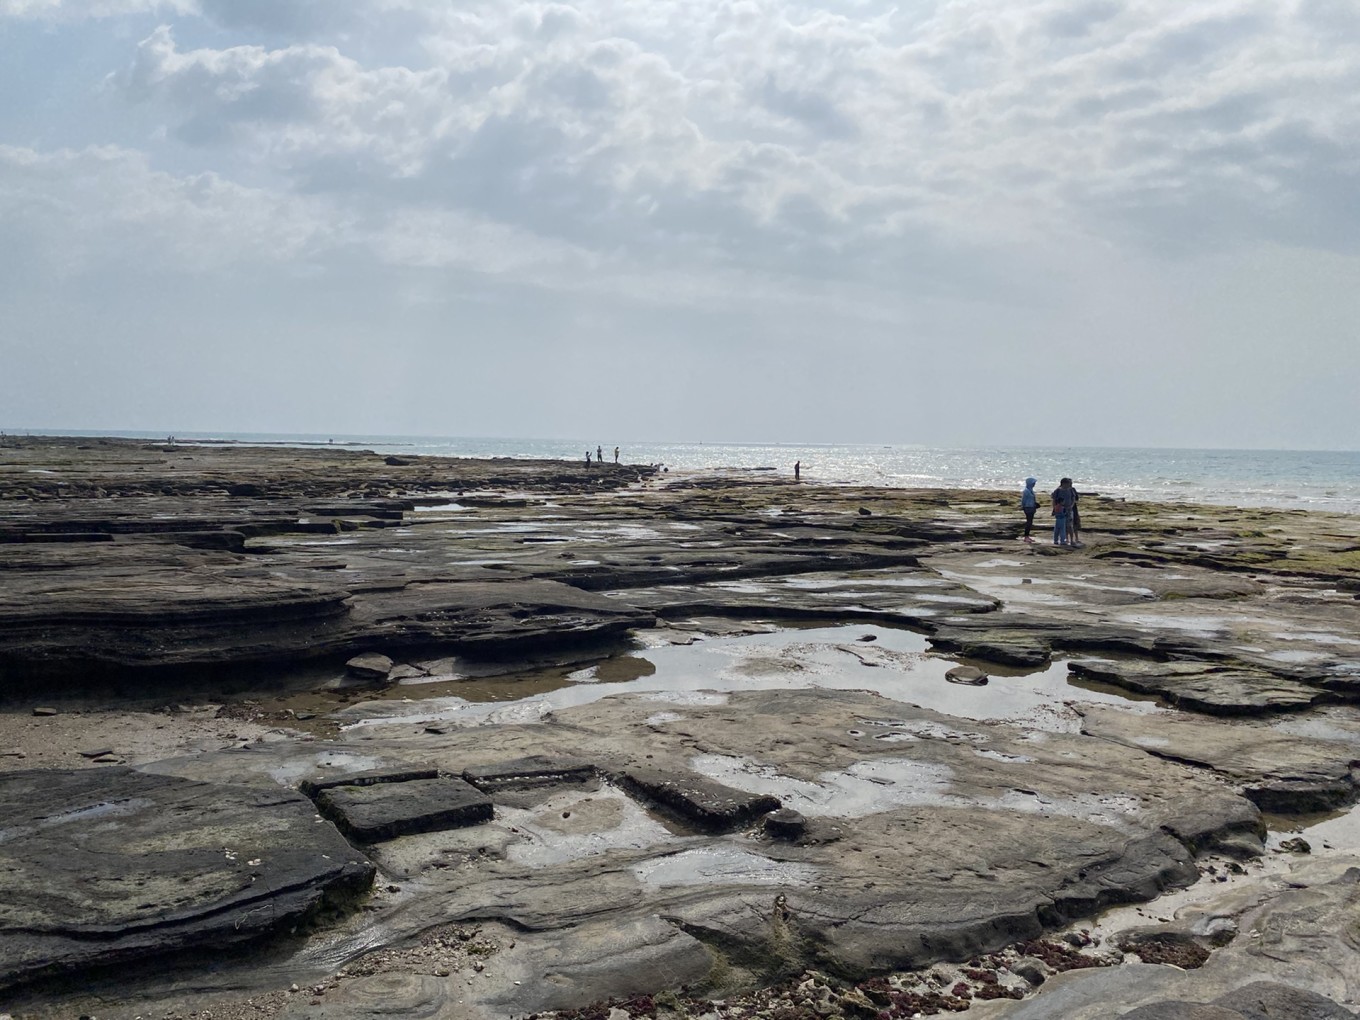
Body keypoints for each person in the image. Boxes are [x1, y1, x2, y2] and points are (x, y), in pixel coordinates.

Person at [1051, 477, 1076, 546]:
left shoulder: (1070, 490)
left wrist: (1071, 505)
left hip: (1069, 510)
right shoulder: (1057, 491)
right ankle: (1061, 540)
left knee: (1069, 525)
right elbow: (1053, 500)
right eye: (1067, 484)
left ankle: (1071, 540)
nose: (1069, 485)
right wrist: (1055, 508)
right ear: (1063, 484)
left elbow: (1073, 499)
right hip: (1060, 511)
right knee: (1060, 526)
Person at [1020, 477, 1039, 543]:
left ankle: (1027, 536)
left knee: (1030, 522)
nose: (1034, 484)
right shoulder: (1026, 491)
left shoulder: (1031, 490)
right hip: (1028, 507)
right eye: (1033, 483)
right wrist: (1022, 506)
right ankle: (1026, 536)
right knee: (1029, 522)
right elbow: (1023, 500)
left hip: (1032, 507)